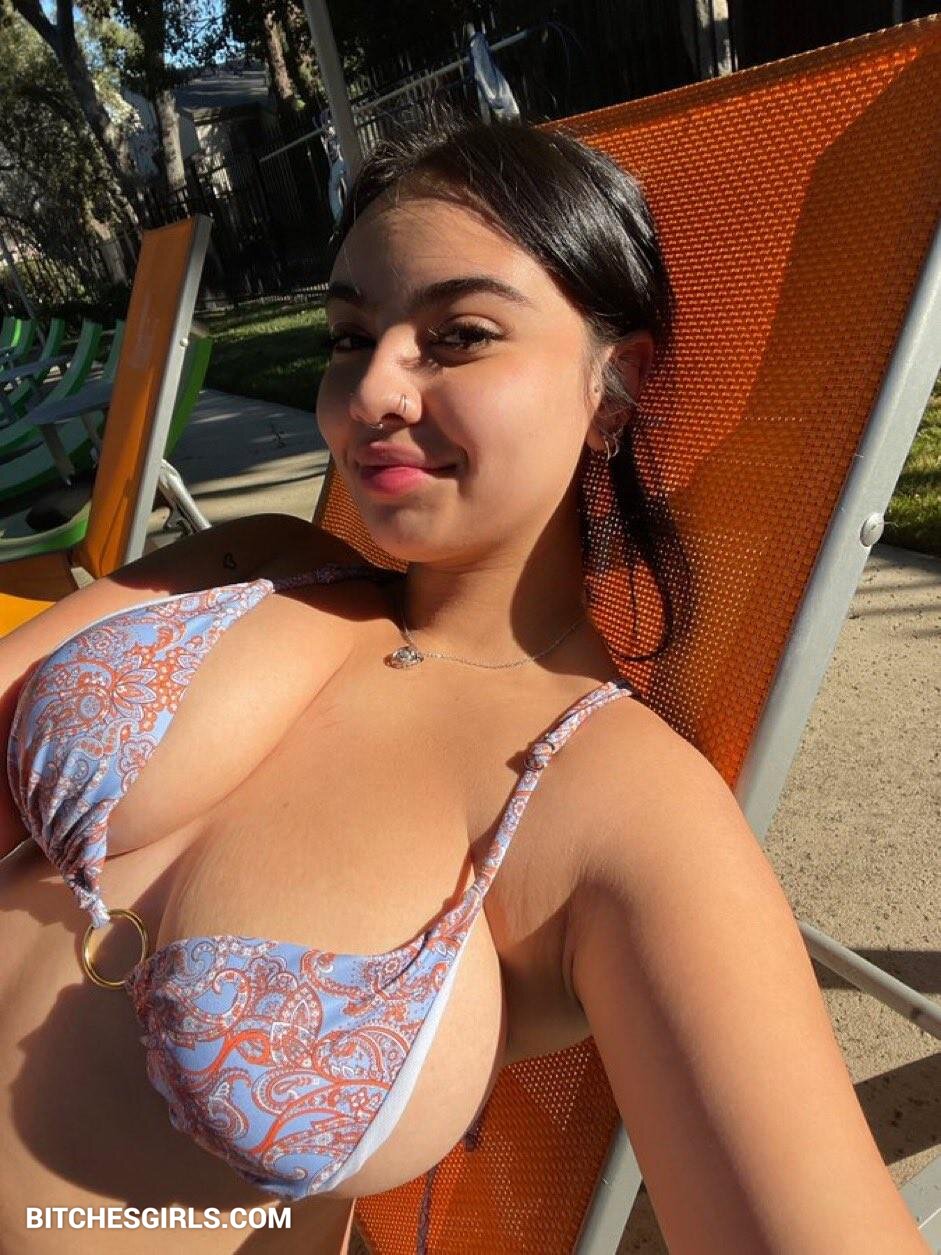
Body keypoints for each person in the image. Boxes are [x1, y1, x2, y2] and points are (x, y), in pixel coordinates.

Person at [0, 105, 928, 1255]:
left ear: (614, 382)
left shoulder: (615, 805)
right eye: (350, 336)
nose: (369, 394)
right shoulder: (252, 564)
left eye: (458, 337)